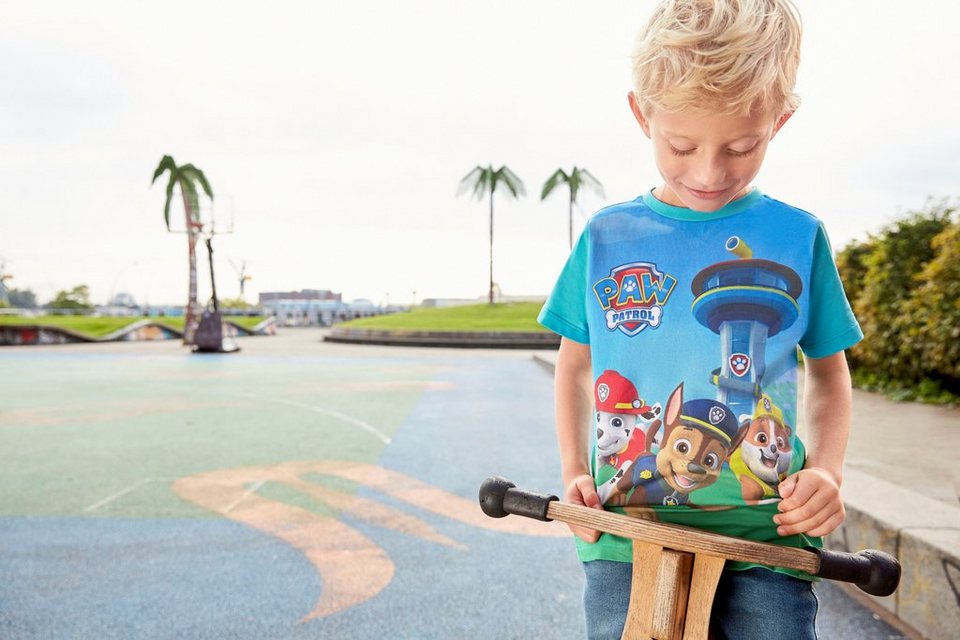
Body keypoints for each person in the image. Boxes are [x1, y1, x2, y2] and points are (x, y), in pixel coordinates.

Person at [537, 1, 862, 638]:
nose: (710, 173)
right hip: (625, 538)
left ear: (780, 120)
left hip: (768, 543)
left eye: (742, 146)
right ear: (643, 115)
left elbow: (829, 373)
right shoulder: (606, 237)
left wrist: (826, 469)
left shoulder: (798, 236)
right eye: (681, 146)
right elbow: (575, 368)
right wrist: (575, 470)